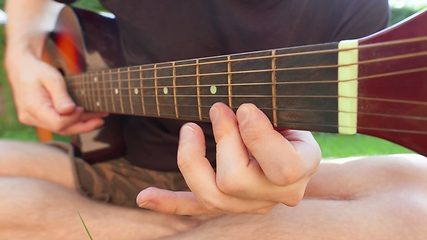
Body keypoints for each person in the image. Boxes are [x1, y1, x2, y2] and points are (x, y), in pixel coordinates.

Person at [2, 0, 427, 239]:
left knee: (416, 204)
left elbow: (298, 131)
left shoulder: (356, 10)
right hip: (107, 155)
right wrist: (22, 50)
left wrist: (292, 162)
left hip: (242, 176)